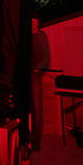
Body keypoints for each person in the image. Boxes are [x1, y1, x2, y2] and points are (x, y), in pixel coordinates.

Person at [31, 14, 50, 152]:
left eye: (35, 22)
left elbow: (46, 56)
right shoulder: (24, 36)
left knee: (37, 108)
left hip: (35, 75)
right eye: (31, 22)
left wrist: (38, 67)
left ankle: (36, 141)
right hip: (24, 75)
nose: (33, 24)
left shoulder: (42, 36)